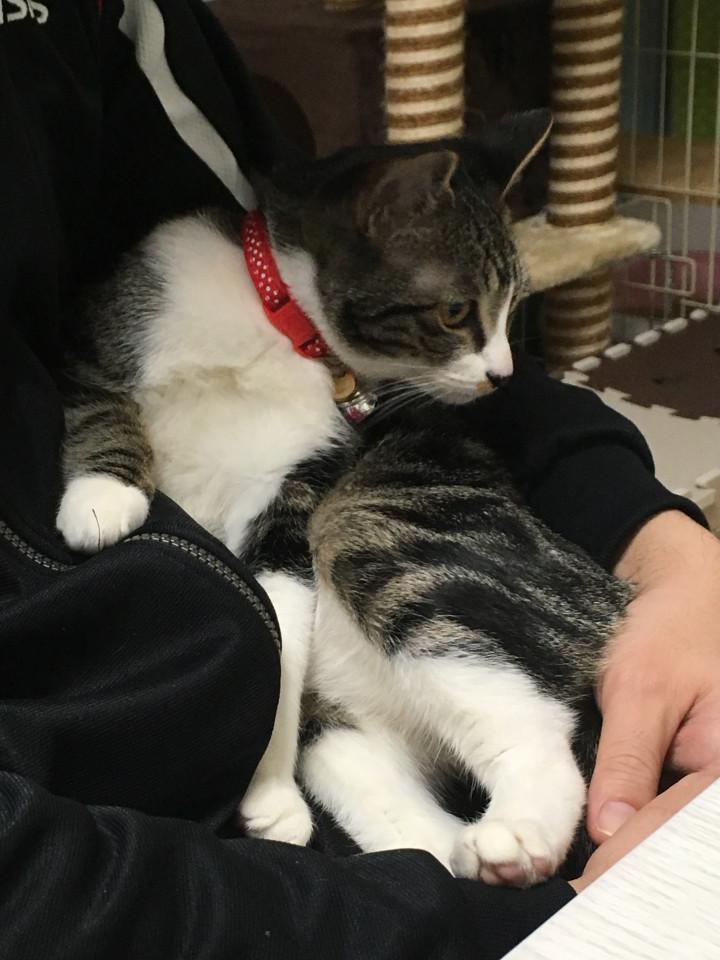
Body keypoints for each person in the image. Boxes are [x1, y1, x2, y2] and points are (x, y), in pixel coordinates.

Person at [1, 2, 718, 958]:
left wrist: (664, 541)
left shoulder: (138, 45)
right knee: (354, 752)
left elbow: (418, 372)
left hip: (360, 676)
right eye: (468, 321)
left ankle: (525, 769)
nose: (502, 364)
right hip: (171, 826)